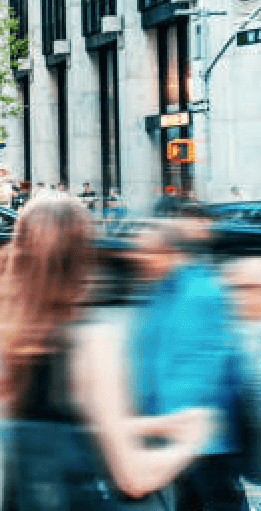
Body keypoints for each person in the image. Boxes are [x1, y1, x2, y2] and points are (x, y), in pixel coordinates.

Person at [0, 195, 218, 510]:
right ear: (82, 258)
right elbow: (133, 477)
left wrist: (158, 425)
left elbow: (47, 430)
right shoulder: (90, 343)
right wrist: (192, 441)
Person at [124, 214, 248, 510]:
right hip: (176, 432)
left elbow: (206, 365)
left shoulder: (200, 292)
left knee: (220, 502)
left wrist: (181, 426)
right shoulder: (159, 292)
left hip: (203, 439)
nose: (137, 257)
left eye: (146, 251)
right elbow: (148, 360)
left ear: (169, 253)